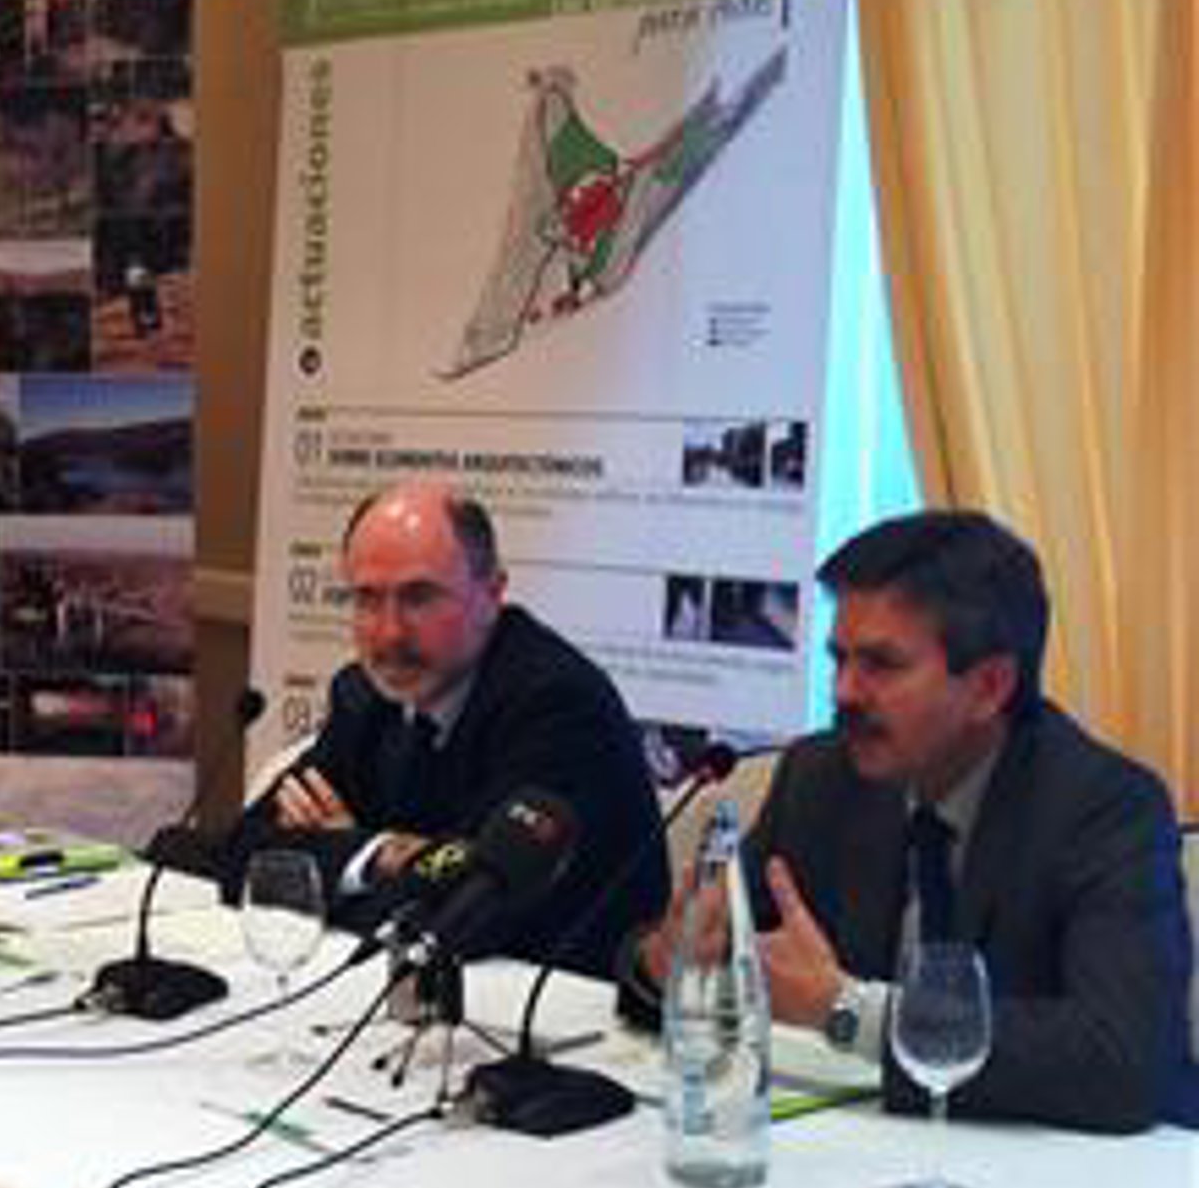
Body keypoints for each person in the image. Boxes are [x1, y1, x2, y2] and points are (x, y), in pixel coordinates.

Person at [625, 510, 1196, 1132]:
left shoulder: (1105, 809)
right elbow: (713, 954)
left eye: (881, 664)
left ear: (990, 686)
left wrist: (850, 1012)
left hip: (1071, 1168)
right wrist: (669, 961)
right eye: (839, 659)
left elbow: (1122, 1058)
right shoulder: (821, 778)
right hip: (869, 1144)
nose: (844, 691)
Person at [223, 481, 667, 977]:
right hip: (420, 988)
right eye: (366, 598)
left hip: (560, 1000)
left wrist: (338, 863)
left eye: (419, 597)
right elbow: (243, 855)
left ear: (492, 594)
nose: (389, 633)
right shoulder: (365, 694)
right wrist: (380, 853)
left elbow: (463, 919)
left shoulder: (558, 705)